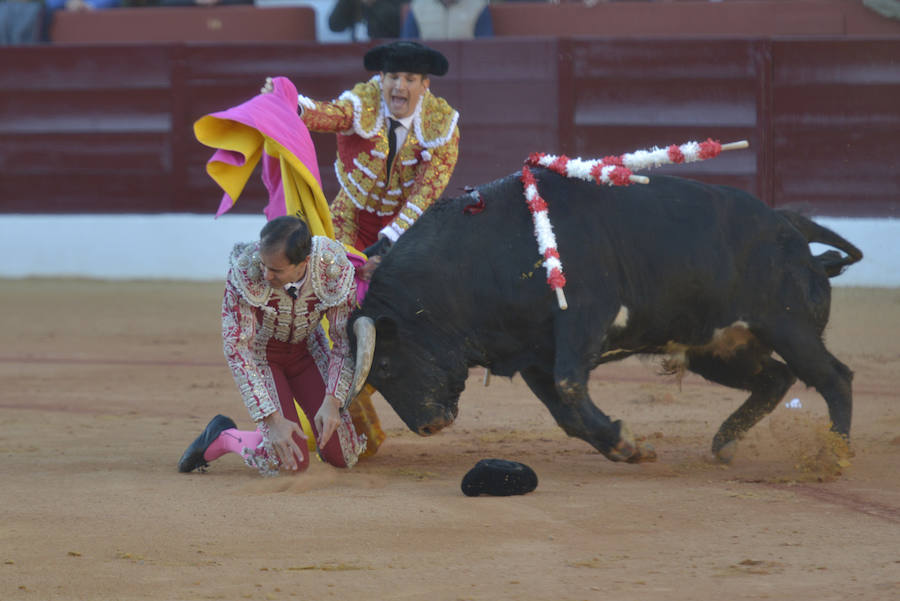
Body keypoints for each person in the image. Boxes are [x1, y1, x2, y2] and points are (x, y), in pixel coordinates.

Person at [178, 216, 368, 475]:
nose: (266, 275)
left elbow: (343, 342)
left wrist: (332, 401)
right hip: (263, 357)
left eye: (276, 270)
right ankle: (223, 437)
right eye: (265, 265)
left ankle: (269, 435)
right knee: (288, 463)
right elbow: (237, 348)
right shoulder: (246, 270)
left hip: (309, 351)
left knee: (342, 453)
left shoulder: (332, 268)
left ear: (303, 264)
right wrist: (272, 419)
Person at [268, 40, 460, 255]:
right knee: (332, 274)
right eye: (393, 77)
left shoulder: (441, 124)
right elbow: (332, 115)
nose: (400, 86)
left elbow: (427, 190)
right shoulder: (364, 102)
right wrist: (290, 106)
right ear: (381, 77)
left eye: (410, 79)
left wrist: (393, 235)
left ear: (425, 84)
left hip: (405, 221)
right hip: (350, 216)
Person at [400, 0, 493, 40]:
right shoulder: (418, 7)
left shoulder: (478, 6)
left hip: (467, 69)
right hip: (428, 70)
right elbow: (407, 45)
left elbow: (485, 47)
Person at [327, 0, 406, 40]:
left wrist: (375, 4)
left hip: (390, 53)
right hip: (357, 53)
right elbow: (335, 26)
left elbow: (398, 26)